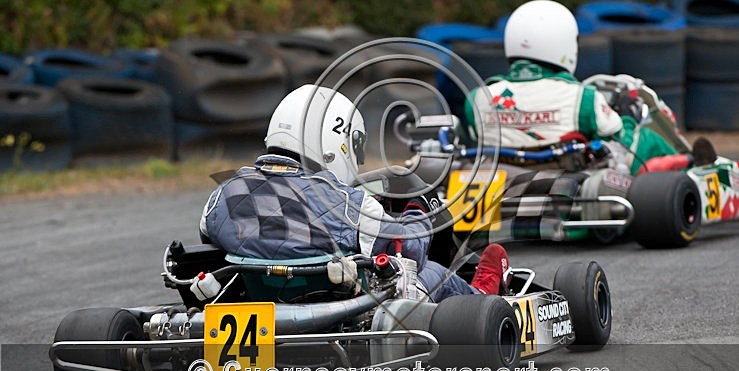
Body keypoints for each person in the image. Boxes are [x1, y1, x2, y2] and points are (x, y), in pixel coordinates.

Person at [200, 84, 509, 301]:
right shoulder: (351, 204)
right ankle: (479, 296)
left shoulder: (223, 194)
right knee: (426, 271)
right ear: (333, 143)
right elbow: (409, 249)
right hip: (336, 305)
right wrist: (420, 212)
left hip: (259, 299)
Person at [464, 0, 709, 174]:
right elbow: (620, 142)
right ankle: (694, 166)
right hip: (570, 180)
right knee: (645, 138)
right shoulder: (581, 98)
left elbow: (473, 142)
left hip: (503, 180)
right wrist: (628, 117)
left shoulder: (478, 97)